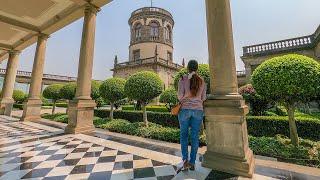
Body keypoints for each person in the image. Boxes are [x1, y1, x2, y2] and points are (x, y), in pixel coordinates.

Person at [178, 60, 207, 171]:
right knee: (195, 137)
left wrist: (187, 98)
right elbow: (203, 98)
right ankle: (192, 163)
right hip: (198, 111)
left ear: (188, 68)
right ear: (197, 68)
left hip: (184, 110)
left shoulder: (182, 79)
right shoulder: (202, 81)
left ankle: (185, 161)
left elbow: (180, 96)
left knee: (184, 136)